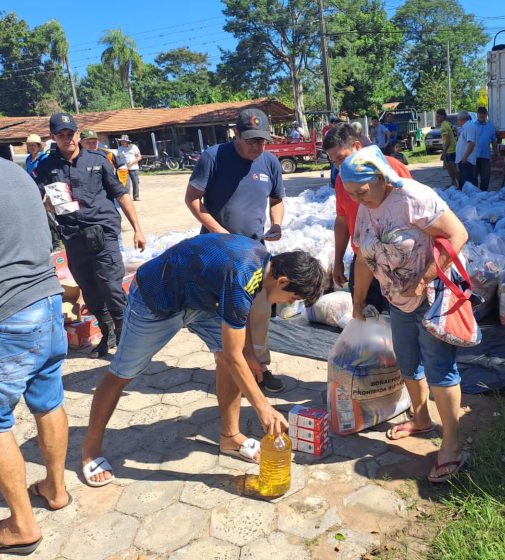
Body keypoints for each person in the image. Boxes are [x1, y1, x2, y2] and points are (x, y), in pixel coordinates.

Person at [80, 235, 325, 486]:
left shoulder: (261, 264)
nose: (288, 304)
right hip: (156, 300)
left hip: (200, 300)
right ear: (283, 281)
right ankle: (90, 450)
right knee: (122, 373)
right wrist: (263, 407)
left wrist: (249, 352)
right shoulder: (242, 275)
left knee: (231, 358)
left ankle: (230, 436)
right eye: (292, 298)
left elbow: (242, 315)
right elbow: (233, 353)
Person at [0, 113, 69, 555]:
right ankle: (56, 490)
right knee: (49, 400)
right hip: (47, 303)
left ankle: (22, 525)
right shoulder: (17, 172)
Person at [340, 145, 470, 483]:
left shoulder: (413, 197)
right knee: (408, 363)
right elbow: (364, 255)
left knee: (440, 369)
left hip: (432, 297)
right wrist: (357, 299)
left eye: (362, 191)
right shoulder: (365, 207)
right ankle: (422, 419)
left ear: (381, 178)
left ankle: (452, 445)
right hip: (397, 299)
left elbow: (458, 234)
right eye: (351, 194)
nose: (358, 199)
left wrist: (424, 279)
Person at [184, 108, 285, 393]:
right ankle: (232, 368)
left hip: (255, 253)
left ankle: (259, 368)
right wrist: (219, 232)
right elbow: (192, 199)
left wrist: (277, 223)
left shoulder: (270, 163)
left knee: (259, 312)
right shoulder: (213, 157)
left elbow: (277, 199)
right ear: (236, 134)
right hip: (218, 252)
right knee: (227, 314)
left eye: (262, 141)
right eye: (251, 140)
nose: (258, 146)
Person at [35, 113, 146, 358]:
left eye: (70, 134)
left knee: (111, 287)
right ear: (53, 138)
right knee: (90, 289)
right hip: (73, 236)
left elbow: (121, 194)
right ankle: (108, 334)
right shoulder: (45, 166)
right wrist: (47, 204)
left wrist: (137, 228)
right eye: (61, 135)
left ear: (78, 134)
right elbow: (40, 198)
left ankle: (129, 339)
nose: (67, 139)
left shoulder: (98, 160)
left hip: (103, 233)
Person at [324, 123, 412, 313]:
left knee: (400, 320)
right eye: (334, 162)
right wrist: (338, 260)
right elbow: (342, 220)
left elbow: (415, 214)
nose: (339, 166)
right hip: (364, 260)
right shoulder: (342, 180)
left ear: (357, 146)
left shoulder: (393, 168)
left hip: (397, 261)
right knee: (365, 317)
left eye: (341, 158)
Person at [470, 106, 498, 191]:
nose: (482, 116)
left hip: (485, 156)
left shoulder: (491, 127)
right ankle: (474, 193)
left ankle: (483, 193)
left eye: (483, 114)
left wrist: (495, 152)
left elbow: (494, 140)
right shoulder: (472, 126)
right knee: (473, 176)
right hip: (474, 156)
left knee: (486, 176)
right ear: (477, 115)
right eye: (480, 114)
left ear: (486, 115)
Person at [437, 109, 459, 188]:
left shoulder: (444, 126)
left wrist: (443, 153)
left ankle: (459, 184)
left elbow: (447, 141)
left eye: (438, 117)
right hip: (455, 148)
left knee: (451, 169)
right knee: (453, 168)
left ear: (443, 116)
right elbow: (455, 134)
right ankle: (454, 183)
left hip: (450, 150)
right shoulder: (449, 123)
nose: (437, 118)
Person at [117, 134, 141, 201]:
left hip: (134, 168)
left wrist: (132, 162)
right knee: (126, 184)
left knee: (135, 182)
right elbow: (118, 157)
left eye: (124, 141)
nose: (122, 142)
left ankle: (136, 196)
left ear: (127, 141)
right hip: (124, 168)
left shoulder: (133, 147)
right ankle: (128, 198)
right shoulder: (120, 148)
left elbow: (139, 157)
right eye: (121, 141)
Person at [455, 111, 475, 190]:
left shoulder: (469, 127)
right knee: (464, 184)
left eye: (458, 120)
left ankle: (469, 201)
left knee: (466, 185)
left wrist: (464, 158)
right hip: (464, 160)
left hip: (466, 161)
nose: (457, 122)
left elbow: (471, 143)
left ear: (461, 120)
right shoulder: (466, 127)